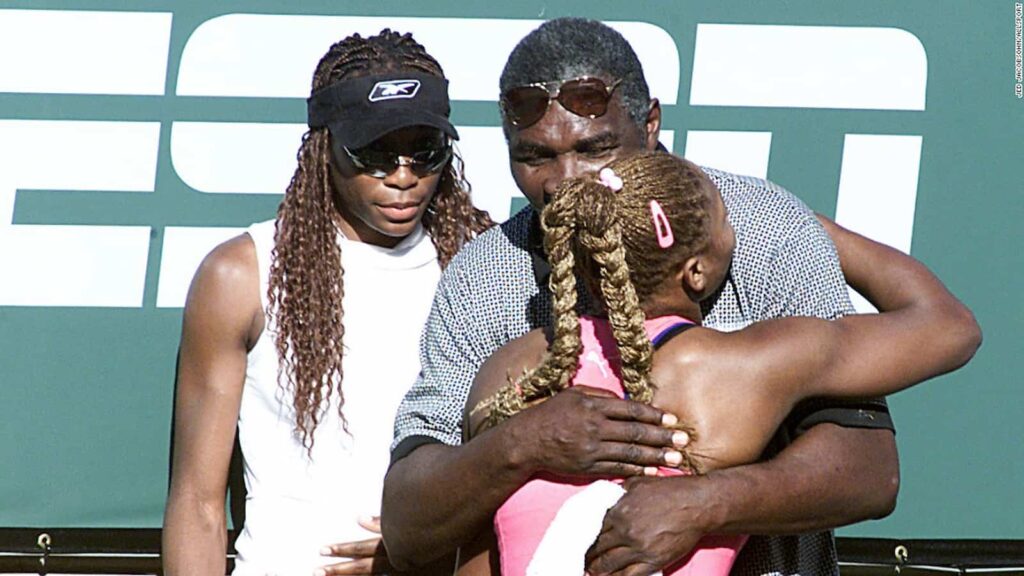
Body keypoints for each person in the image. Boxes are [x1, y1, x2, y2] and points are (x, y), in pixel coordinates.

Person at [380, 17, 974, 576]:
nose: (564, 182)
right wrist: (522, 443)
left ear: (651, 125)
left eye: (594, 148)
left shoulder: (761, 227)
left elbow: (869, 471)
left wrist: (703, 502)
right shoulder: (486, 275)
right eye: (534, 156)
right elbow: (412, 523)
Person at [461, 152, 980, 576]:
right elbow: (950, 327)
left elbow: (479, 549)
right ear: (697, 272)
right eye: (727, 219)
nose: (738, 225)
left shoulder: (514, 365)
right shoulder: (742, 367)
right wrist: (811, 228)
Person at [161, 30, 491, 576]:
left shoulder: (484, 267)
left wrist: (415, 542)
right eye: (374, 154)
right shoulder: (242, 274)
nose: (404, 177)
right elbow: (196, 503)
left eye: (425, 153)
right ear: (324, 149)